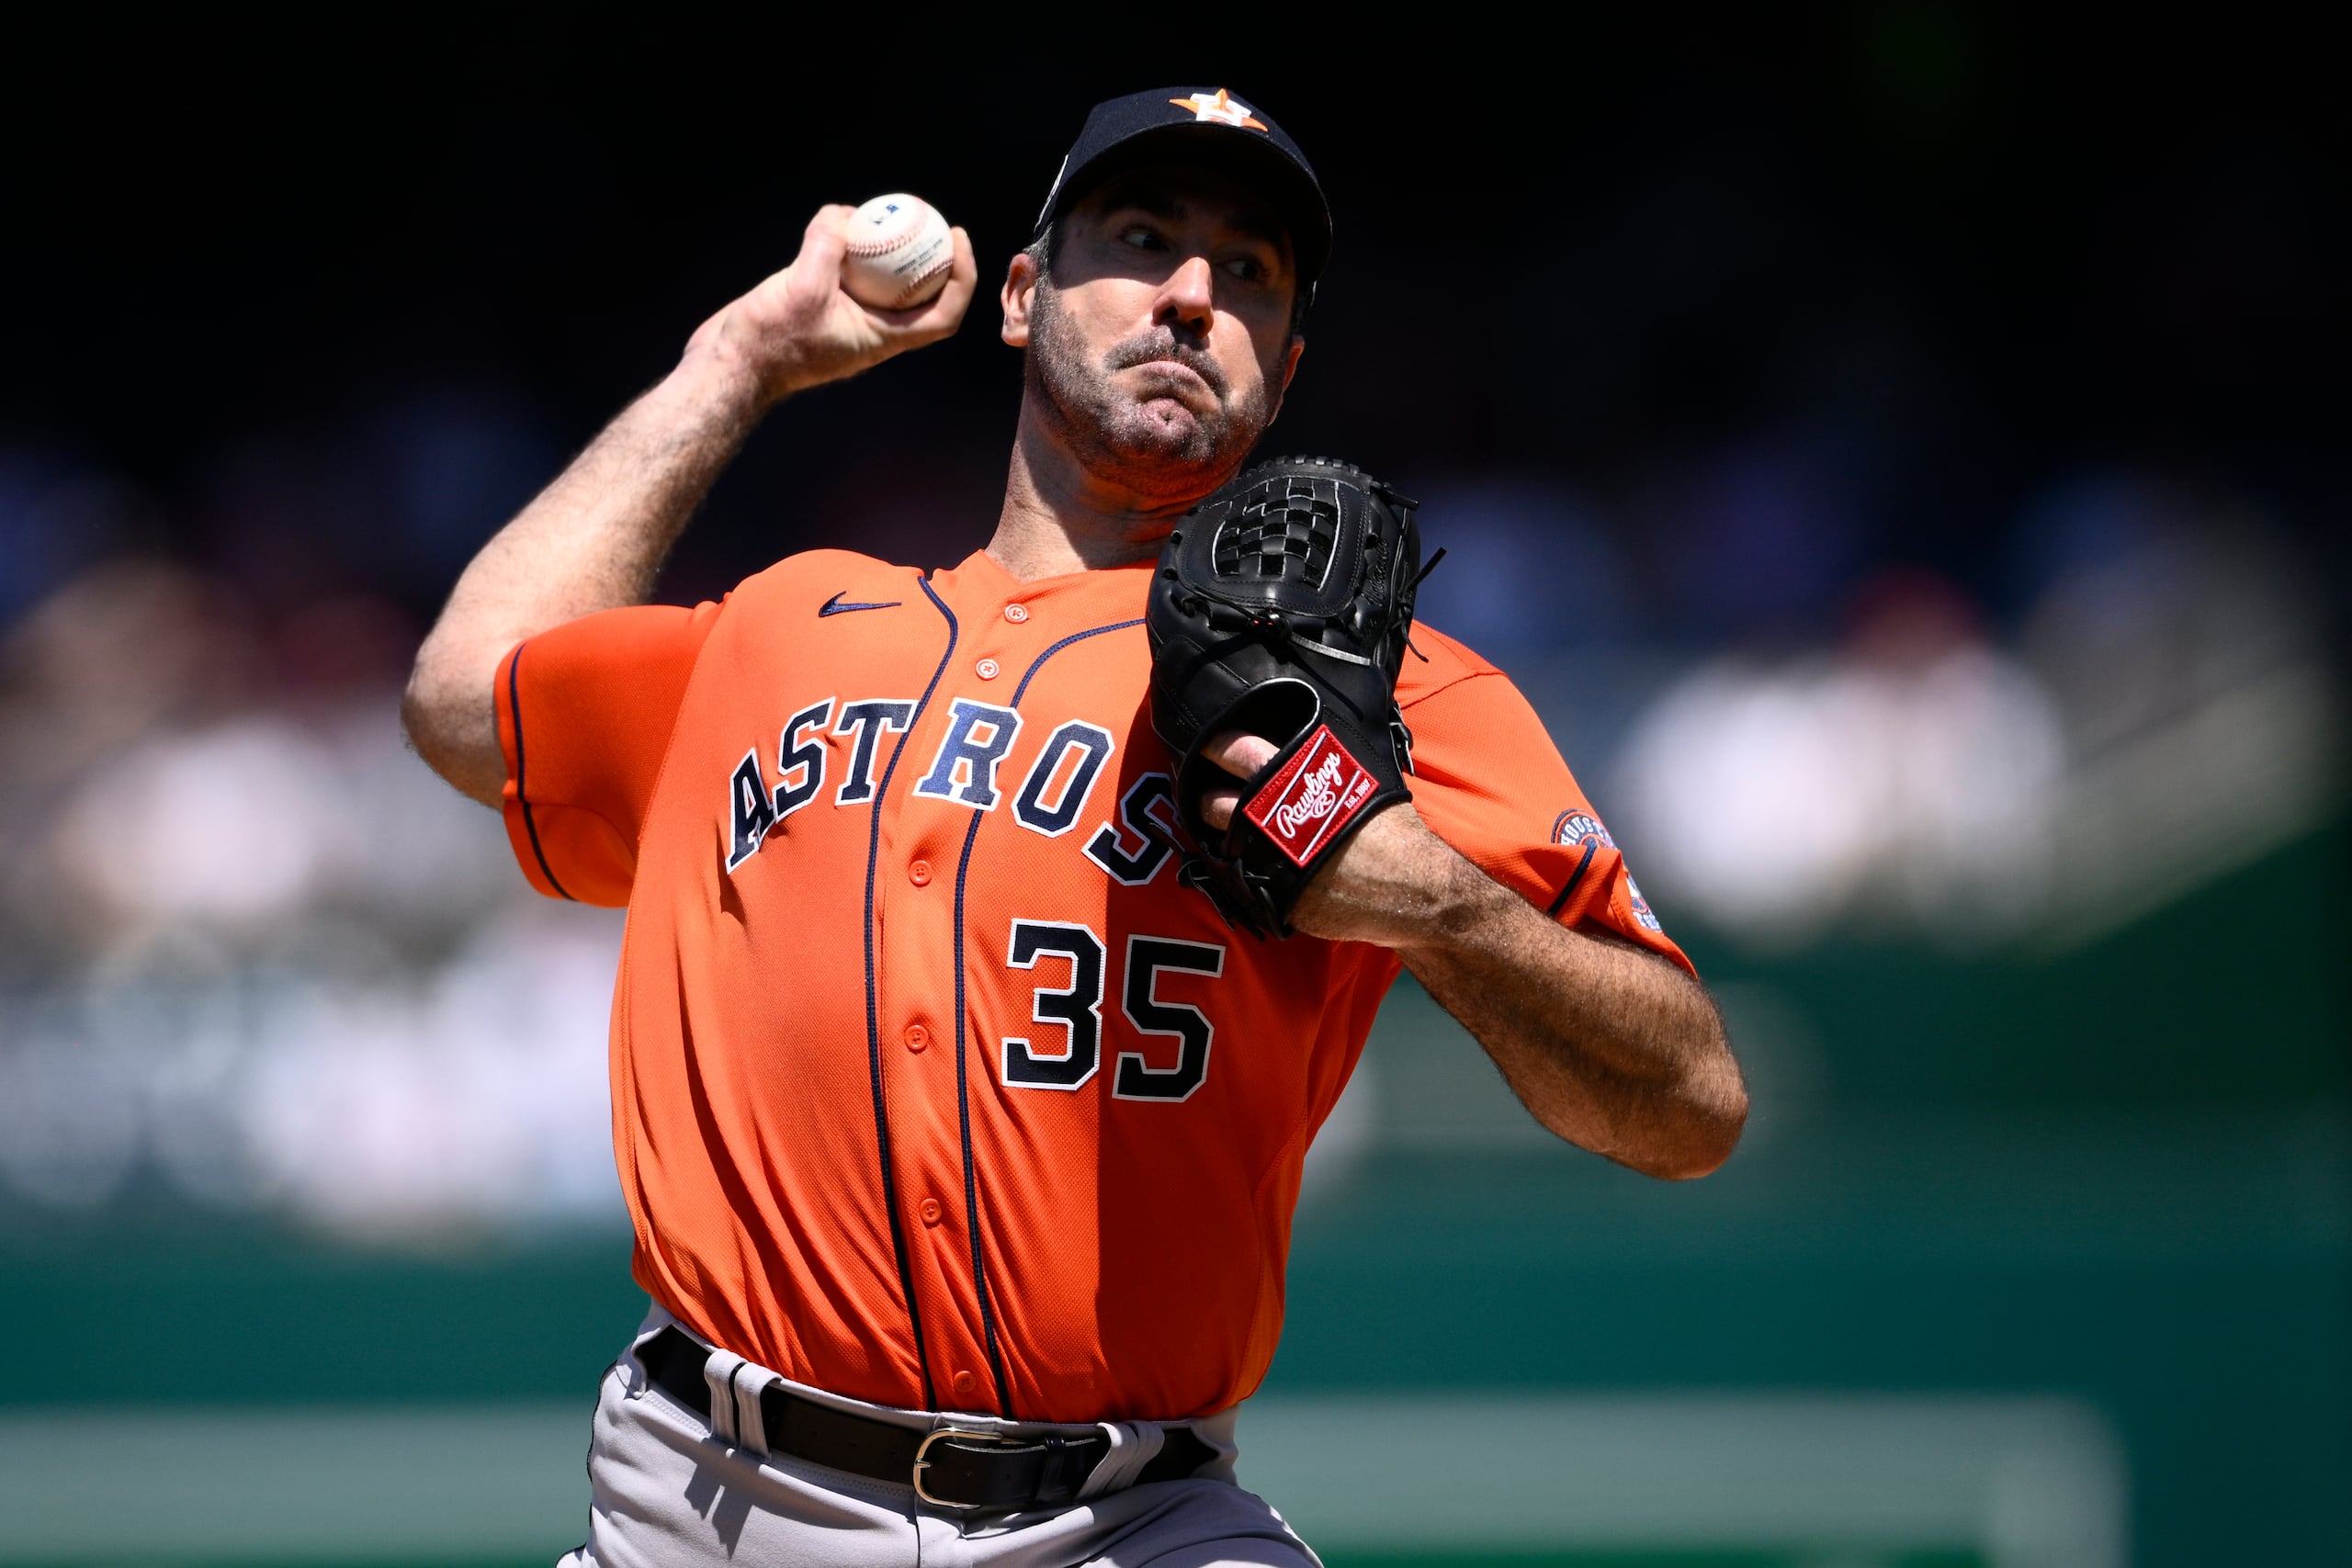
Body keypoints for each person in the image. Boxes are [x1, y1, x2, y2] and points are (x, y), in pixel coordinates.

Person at [403, 85, 1745, 1568]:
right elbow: (464, 702)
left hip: (1129, 1521)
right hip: (709, 1500)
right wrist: (740, 362)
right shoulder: (788, 626)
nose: (1189, 294)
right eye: (1142, 237)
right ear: (1026, 294)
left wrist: (1444, 907)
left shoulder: (1372, 690)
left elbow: (1690, 1106)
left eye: (1249, 274)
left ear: (1284, 370)